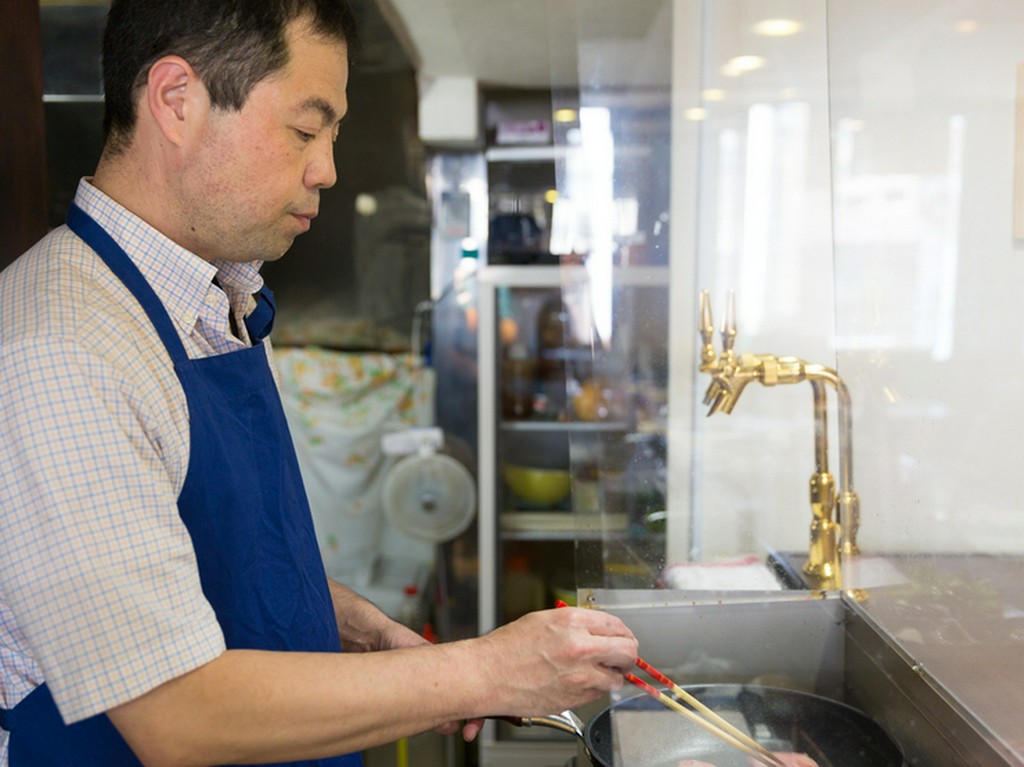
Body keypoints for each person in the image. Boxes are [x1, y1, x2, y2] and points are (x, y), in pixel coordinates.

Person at [0, 1, 639, 765]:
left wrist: (347, 622)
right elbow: (176, 714)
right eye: (306, 129)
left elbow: (195, 562)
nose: (327, 169)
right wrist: (480, 673)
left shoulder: (214, 299)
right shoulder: (61, 350)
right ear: (177, 102)